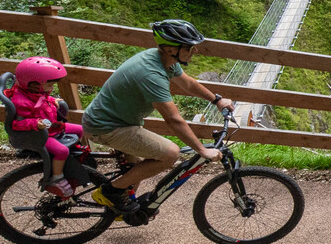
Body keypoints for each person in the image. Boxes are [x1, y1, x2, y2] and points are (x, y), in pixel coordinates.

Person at [81, 19, 233, 216]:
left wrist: (217, 100)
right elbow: (173, 120)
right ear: (170, 48)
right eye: (189, 47)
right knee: (169, 153)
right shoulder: (151, 74)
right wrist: (203, 150)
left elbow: (188, 83)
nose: (194, 51)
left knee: (135, 170)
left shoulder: (165, 61)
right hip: (107, 127)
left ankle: (122, 206)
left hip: (118, 122)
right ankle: (110, 191)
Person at [9, 55, 86, 198]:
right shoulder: (21, 102)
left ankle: (71, 160)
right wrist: (34, 124)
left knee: (81, 129)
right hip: (40, 135)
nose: (51, 88)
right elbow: (17, 124)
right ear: (33, 83)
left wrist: (52, 100)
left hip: (52, 128)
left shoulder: (36, 92)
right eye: (49, 85)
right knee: (61, 151)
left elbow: (42, 99)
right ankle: (57, 178)